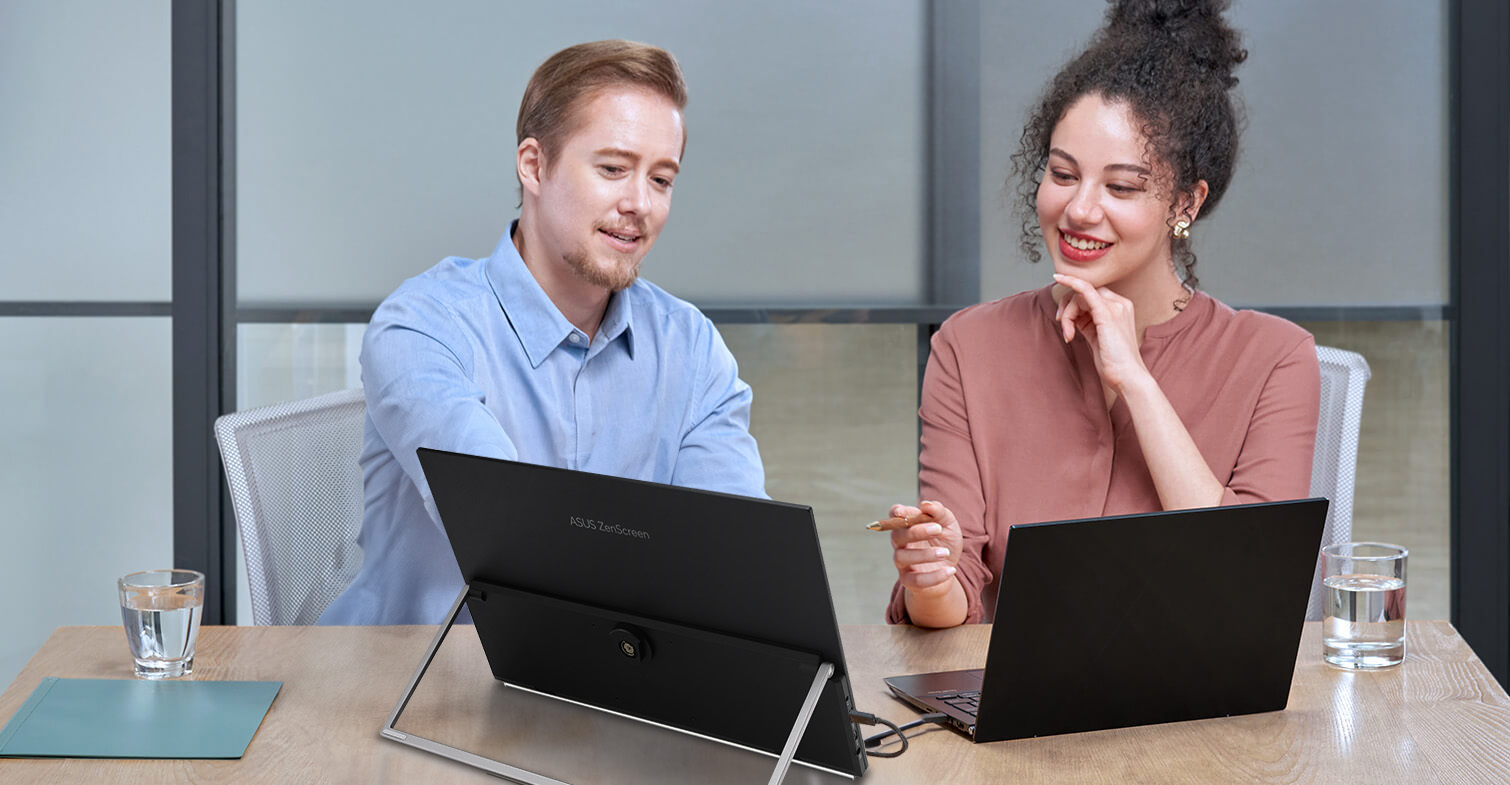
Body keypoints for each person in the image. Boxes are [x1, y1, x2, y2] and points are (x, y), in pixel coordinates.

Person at [878, 0, 1320, 629]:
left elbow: (1250, 588)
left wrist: (1136, 381)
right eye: (1063, 175)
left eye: (1121, 187)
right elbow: (956, 604)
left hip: (1198, 687)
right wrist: (931, 578)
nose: (1080, 210)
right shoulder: (967, 347)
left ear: (1185, 203)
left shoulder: (1276, 357)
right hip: (1013, 688)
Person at [320, 40, 765, 626]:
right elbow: (509, 530)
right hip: (410, 673)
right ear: (533, 165)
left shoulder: (691, 348)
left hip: (605, 669)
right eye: (613, 169)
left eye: (661, 179)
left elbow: (736, 557)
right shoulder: (423, 325)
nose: (640, 203)